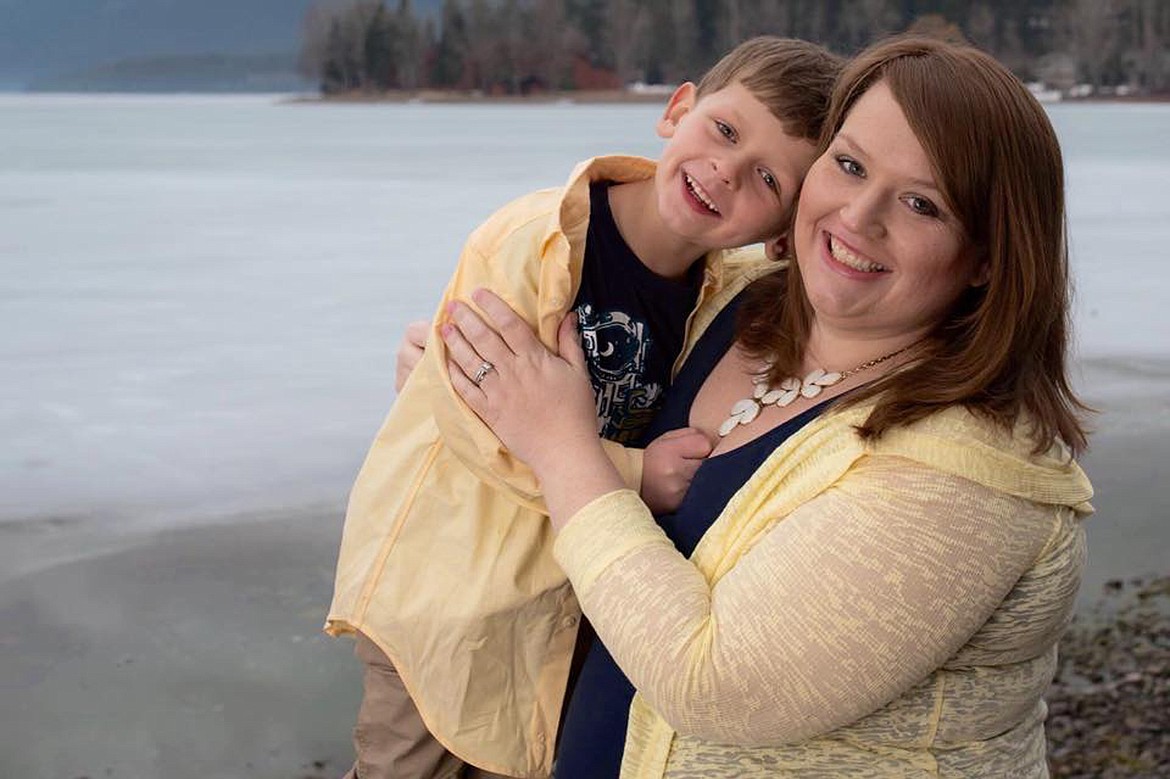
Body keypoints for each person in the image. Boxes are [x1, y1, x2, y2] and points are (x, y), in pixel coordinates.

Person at [440, 34, 1094, 777]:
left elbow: (717, 685)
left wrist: (561, 447)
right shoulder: (738, 300)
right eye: (848, 165)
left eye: (921, 203)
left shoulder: (971, 472)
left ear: (988, 257)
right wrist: (472, 367)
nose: (857, 216)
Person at [326, 37, 842, 779]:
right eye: (725, 131)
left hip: (543, 607)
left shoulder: (719, 290)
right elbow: (474, 417)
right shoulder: (536, 241)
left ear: (781, 230)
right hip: (449, 585)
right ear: (677, 109)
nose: (725, 171)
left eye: (766, 178)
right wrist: (636, 474)